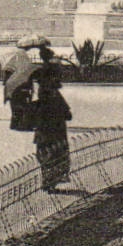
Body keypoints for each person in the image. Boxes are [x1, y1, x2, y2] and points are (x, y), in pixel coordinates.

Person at [32, 45, 73, 192]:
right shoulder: (53, 94)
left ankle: (47, 180)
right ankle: (50, 181)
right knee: (54, 151)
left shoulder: (42, 91)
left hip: (44, 127)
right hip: (54, 128)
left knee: (45, 151)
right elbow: (68, 114)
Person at [2, 35, 43, 132]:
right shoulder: (23, 57)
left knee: (14, 103)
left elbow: (7, 73)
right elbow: (27, 71)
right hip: (22, 84)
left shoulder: (11, 57)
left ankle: (14, 123)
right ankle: (22, 124)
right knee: (23, 104)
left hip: (11, 84)